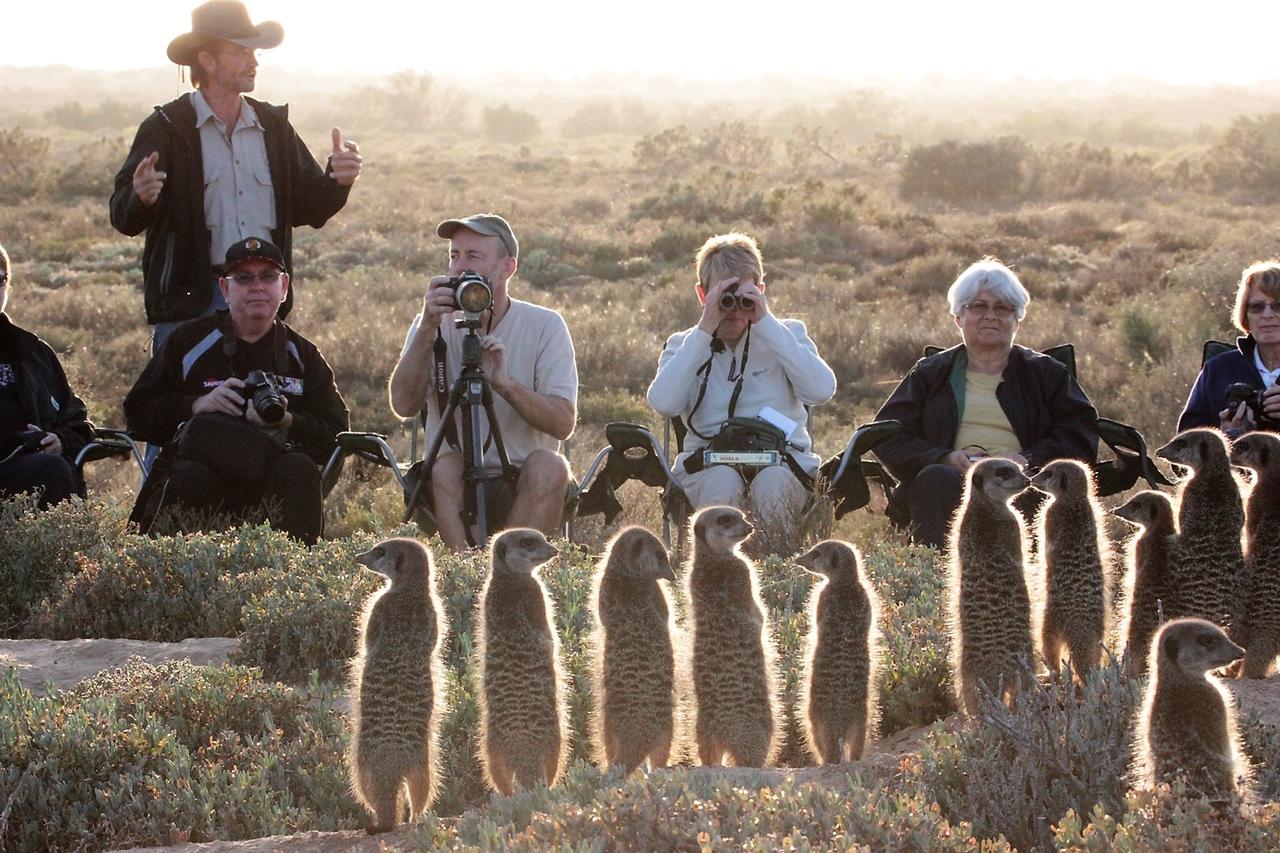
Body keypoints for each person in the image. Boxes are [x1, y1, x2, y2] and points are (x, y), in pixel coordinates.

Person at [109, 0, 363, 353]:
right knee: (182, 406)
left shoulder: (274, 127)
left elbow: (310, 208)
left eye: (255, 51)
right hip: (192, 302)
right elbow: (123, 216)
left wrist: (339, 180)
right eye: (241, 51)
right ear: (207, 60)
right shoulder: (167, 128)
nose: (253, 61)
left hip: (259, 294)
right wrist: (141, 197)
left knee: (260, 403)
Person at [124, 237, 349, 544]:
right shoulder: (187, 342)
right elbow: (136, 413)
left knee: (299, 468)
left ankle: (299, 578)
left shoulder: (304, 355)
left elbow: (338, 437)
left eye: (268, 277)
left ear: (284, 287)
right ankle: (168, 576)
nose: (257, 286)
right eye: (244, 278)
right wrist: (197, 405)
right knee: (189, 476)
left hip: (272, 480)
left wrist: (285, 422)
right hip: (202, 476)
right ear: (225, 289)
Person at [874, 257, 1098, 550]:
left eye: (1002, 308)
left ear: (1017, 321)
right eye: (978, 306)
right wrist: (942, 457)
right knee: (933, 480)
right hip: (954, 482)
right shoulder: (931, 373)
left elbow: (1080, 432)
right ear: (958, 317)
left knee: (1036, 490)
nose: (990, 315)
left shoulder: (1047, 373)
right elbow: (888, 434)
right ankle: (937, 583)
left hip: (1025, 484)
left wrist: (1028, 459)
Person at [388, 214, 577, 551]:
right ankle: (465, 577)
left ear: (507, 267)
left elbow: (563, 423)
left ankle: (510, 571)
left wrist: (505, 385)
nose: (460, 268)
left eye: (474, 256)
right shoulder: (432, 324)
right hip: (452, 482)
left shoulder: (545, 325)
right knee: (445, 464)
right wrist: (428, 328)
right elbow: (403, 405)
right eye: (454, 256)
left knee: (550, 465)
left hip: (524, 477)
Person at [646, 233, 836, 533]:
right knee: (722, 482)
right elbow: (663, 402)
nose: (734, 307)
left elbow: (821, 390)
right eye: (725, 296)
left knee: (771, 485)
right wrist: (705, 330)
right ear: (702, 295)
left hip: (784, 464)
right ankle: (717, 575)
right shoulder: (684, 344)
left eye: (745, 296)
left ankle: (775, 571)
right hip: (707, 467)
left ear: (760, 291)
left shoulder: (787, 334)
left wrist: (766, 324)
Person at [0, 243, 93, 508]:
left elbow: (77, 421)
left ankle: (56, 548)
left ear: (8, 285)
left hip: (26, 468)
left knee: (51, 468)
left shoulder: (33, 352)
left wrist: (61, 441)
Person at [1179, 260, 1280, 436]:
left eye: (1278, 306)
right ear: (1245, 316)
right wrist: (1225, 439)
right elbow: (1184, 446)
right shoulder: (1218, 370)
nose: (1267, 315)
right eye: (1257, 307)